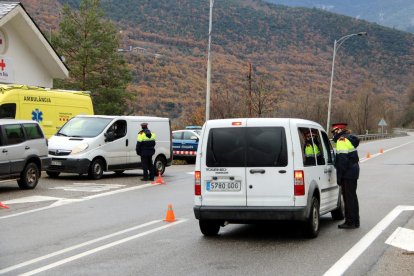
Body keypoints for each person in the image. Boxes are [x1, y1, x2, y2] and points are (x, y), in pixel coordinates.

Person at [331, 123, 360, 229]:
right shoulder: (348, 138)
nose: (334, 134)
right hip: (353, 170)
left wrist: (339, 177)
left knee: (348, 198)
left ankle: (350, 222)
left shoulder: (341, 141)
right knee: (352, 197)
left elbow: (342, 161)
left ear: (340, 130)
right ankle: (355, 221)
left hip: (348, 172)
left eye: (335, 131)